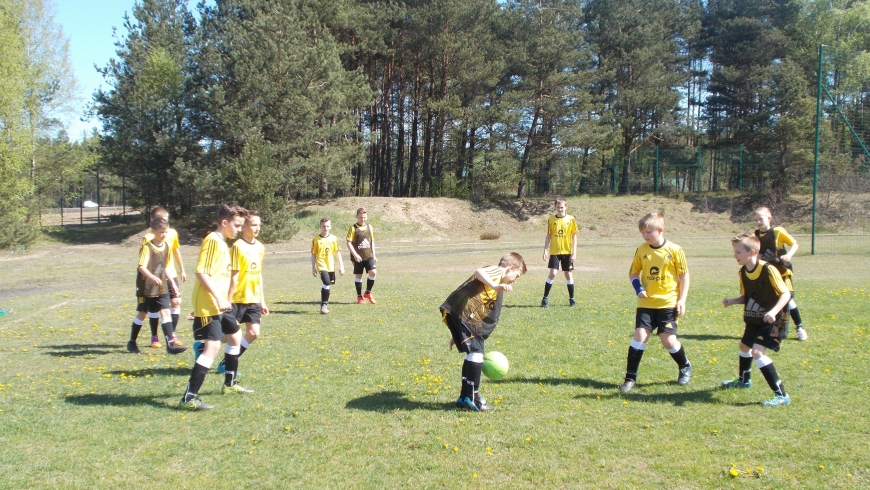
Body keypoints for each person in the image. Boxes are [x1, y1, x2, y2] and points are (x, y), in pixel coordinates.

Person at [180, 203, 253, 411]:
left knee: (236, 336)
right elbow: (201, 272)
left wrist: (225, 299)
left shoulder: (223, 243)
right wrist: (217, 298)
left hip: (221, 303)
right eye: (237, 225)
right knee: (212, 347)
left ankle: (229, 384)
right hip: (210, 304)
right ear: (224, 222)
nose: (239, 230)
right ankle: (189, 397)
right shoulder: (212, 241)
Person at [441, 252, 527, 411]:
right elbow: (479, 272)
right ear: (511, 268)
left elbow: (478, 304)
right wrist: (496, 286)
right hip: (463, 314)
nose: (515, 279)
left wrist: (458, 334)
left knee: (473, 353)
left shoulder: (496, 281)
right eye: (517, 275)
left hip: (463, 316)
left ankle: (464, 397)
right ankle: (472, 398)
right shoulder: (498, 271)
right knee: (476, 353)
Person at [619, 212, 692, 392]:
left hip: (668, 302)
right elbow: (633, 273)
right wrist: (638, 288)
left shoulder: (675, 250)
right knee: (639, 337)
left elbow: (684, 275)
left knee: (667, 339)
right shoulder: (641, 250)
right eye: (642, 232)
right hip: (646, 303)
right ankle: (630, 378)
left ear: (660, 230)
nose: (645, 236)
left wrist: (682, 299)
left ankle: (685, 366)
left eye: (648, 232)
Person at [722, 233, 792, 406]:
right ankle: (744, 380)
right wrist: (733, 301)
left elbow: (786, 294)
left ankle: (781, 395)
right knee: (744, 346)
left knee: (757, 352)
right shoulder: (743, 271)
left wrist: (774, 312)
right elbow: (747, 296)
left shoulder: (768, 269)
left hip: (773, 319)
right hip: (755, 317)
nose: (735, 255)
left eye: (738, 252)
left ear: (752, 252)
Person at [211, 211, 269, 375]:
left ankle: (225, 363)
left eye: (259, 225)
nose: (257, 228)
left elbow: (258, 275)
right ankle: (202, 347)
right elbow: (233, 275)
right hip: (237, 298)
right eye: (253, 225)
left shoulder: (260, 247)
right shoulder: (237, 246)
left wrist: (262, 301)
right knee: (225, 337)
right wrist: (228, 301)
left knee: (253, 333)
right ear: (243, 227)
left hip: (253, 298)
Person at [129, 216, 187, 355]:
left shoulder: (166, 246)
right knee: (143, 313)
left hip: (161, 284)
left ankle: (170, 345)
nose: (164, 235)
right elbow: (141, 267)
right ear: (153, 231)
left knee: (165, 311)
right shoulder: (147, 248)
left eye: (166, 232)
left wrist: (172, 282)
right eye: (161, 232)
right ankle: (132, 342)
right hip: (147, 286)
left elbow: (165, 266)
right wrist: (152, 277)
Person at [753, 206, 807, 341]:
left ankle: (799, 328)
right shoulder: (757, 235)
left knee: (788, 300)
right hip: (768, 274)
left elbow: (794, 244)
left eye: (761, 219)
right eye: (756, 220)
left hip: (782, 272)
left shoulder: (778, 231)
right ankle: (770, 329)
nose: (758, 222)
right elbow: (755, 252)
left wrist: (788, 255)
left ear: (769, 218)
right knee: (769, 301)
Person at [541, 198, 578, 308]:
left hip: (567, 251)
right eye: (558, 207)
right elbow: (549, 235)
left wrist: (574, 252)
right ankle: (545, 299)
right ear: (555, 207)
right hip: (555, 252)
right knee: (553, 273)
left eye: (562, 207)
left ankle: (572, 300)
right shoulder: (551, 219)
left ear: (566, 207)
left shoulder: (571, 219)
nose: (560, 209)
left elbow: (574, 237)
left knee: (568, 274)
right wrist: (545, 249)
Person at [311, 217, 344, 314]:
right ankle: (324, 305)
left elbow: (337, 253)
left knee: (328, 284)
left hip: (331, 265)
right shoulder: (316, 239)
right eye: (324, 226)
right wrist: (313, 268)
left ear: (330, 227)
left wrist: (341, 266)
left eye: (327, 226)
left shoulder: (334, 239)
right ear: (320, 226)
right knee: (326, 282)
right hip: (321, 265)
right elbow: (313, 254)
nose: (325, 228)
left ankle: (324, 304)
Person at [346, 207, 378, 304]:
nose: (362, 219)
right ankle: (359, 297)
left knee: (373, 272)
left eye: (364, 217)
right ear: (356, 217)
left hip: (368, 256)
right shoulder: (353, 228)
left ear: (366, 217)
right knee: (359, 276)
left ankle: (368, 292)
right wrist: (355, 255)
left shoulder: (370, 227)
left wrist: (374, 255)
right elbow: (348, 242)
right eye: (360, 217)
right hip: (358, 257)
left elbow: (372, 241)